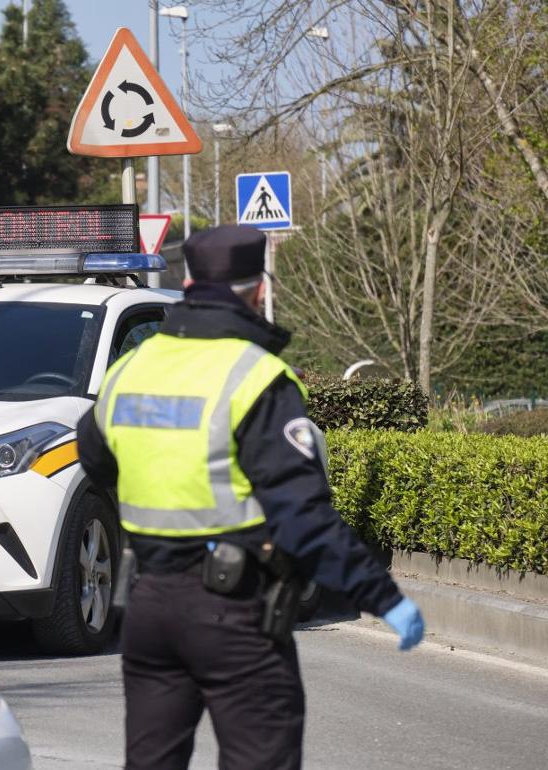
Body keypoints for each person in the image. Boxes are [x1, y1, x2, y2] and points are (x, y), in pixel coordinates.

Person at [76, 224, 424, 770]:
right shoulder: (256, 377)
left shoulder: (130, 370)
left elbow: (94, 455)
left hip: (148, 609)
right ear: (258, 290)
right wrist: (382, 596)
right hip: (233, 612)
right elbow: (303, 515)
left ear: (188, 285)